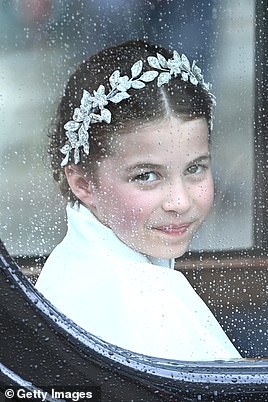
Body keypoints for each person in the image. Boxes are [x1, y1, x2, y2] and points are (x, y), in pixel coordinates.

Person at [36, 39, 241, 360]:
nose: (180, 201)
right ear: (83, 182)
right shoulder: (144, 305)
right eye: (146, 176)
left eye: (195, 168)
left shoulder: (77, 263)